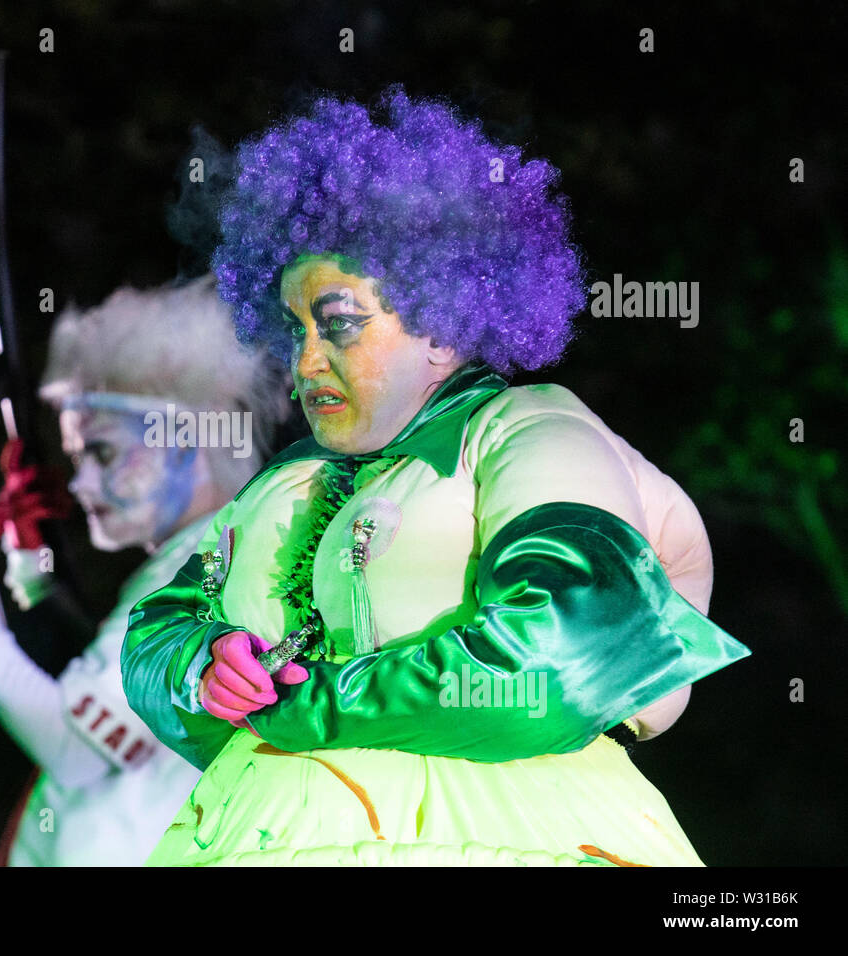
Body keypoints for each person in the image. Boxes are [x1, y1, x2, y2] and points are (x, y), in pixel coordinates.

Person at [121, 89, 750, 866]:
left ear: (444, 327)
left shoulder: (532, 428)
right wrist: (202, 668)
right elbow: (157, 631)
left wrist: (307, 703)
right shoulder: (284, 483)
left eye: (340, 323)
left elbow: (562, 652)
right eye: (296, 330)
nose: (306, 360)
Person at [0, 274, 289, 865]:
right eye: (77, 458)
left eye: (101, 452)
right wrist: (31, 571)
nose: (80, 484)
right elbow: (110, 693)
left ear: (185, 439)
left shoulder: (205, 568)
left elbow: (78, 748)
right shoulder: (218, 551)